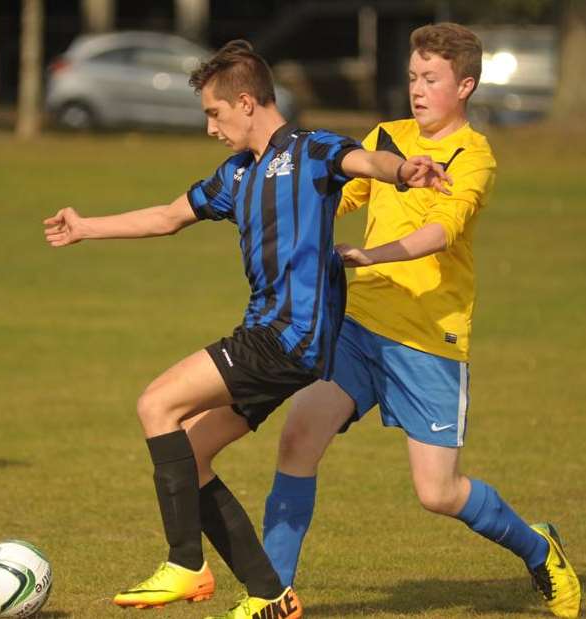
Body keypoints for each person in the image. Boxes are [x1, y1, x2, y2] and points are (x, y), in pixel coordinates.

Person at [44, 39, 449, 619]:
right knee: (191, 451)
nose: (210, 126)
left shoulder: (311, 150)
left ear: (246, 101)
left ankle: (185, 564)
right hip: (272, 338)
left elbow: (368, 162)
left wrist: (406, 170)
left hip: (286, 338)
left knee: (156, 404)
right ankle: (270, 594)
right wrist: (86, 227)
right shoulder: (237, 174)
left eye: (214, 113)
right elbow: (167, 217)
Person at [260, 22, 581, 619]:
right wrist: (279, 197)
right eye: (412, 76)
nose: (417, 88)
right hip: (361, 325)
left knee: (438, 493)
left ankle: (540, 551)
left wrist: (371, 255)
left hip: (430, 338)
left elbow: (440, 233)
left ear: (465, 85)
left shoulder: (474, 157)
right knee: (298, 438)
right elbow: (339, 193)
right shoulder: (388, 136)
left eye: (431, 79)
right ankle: (270, 597)